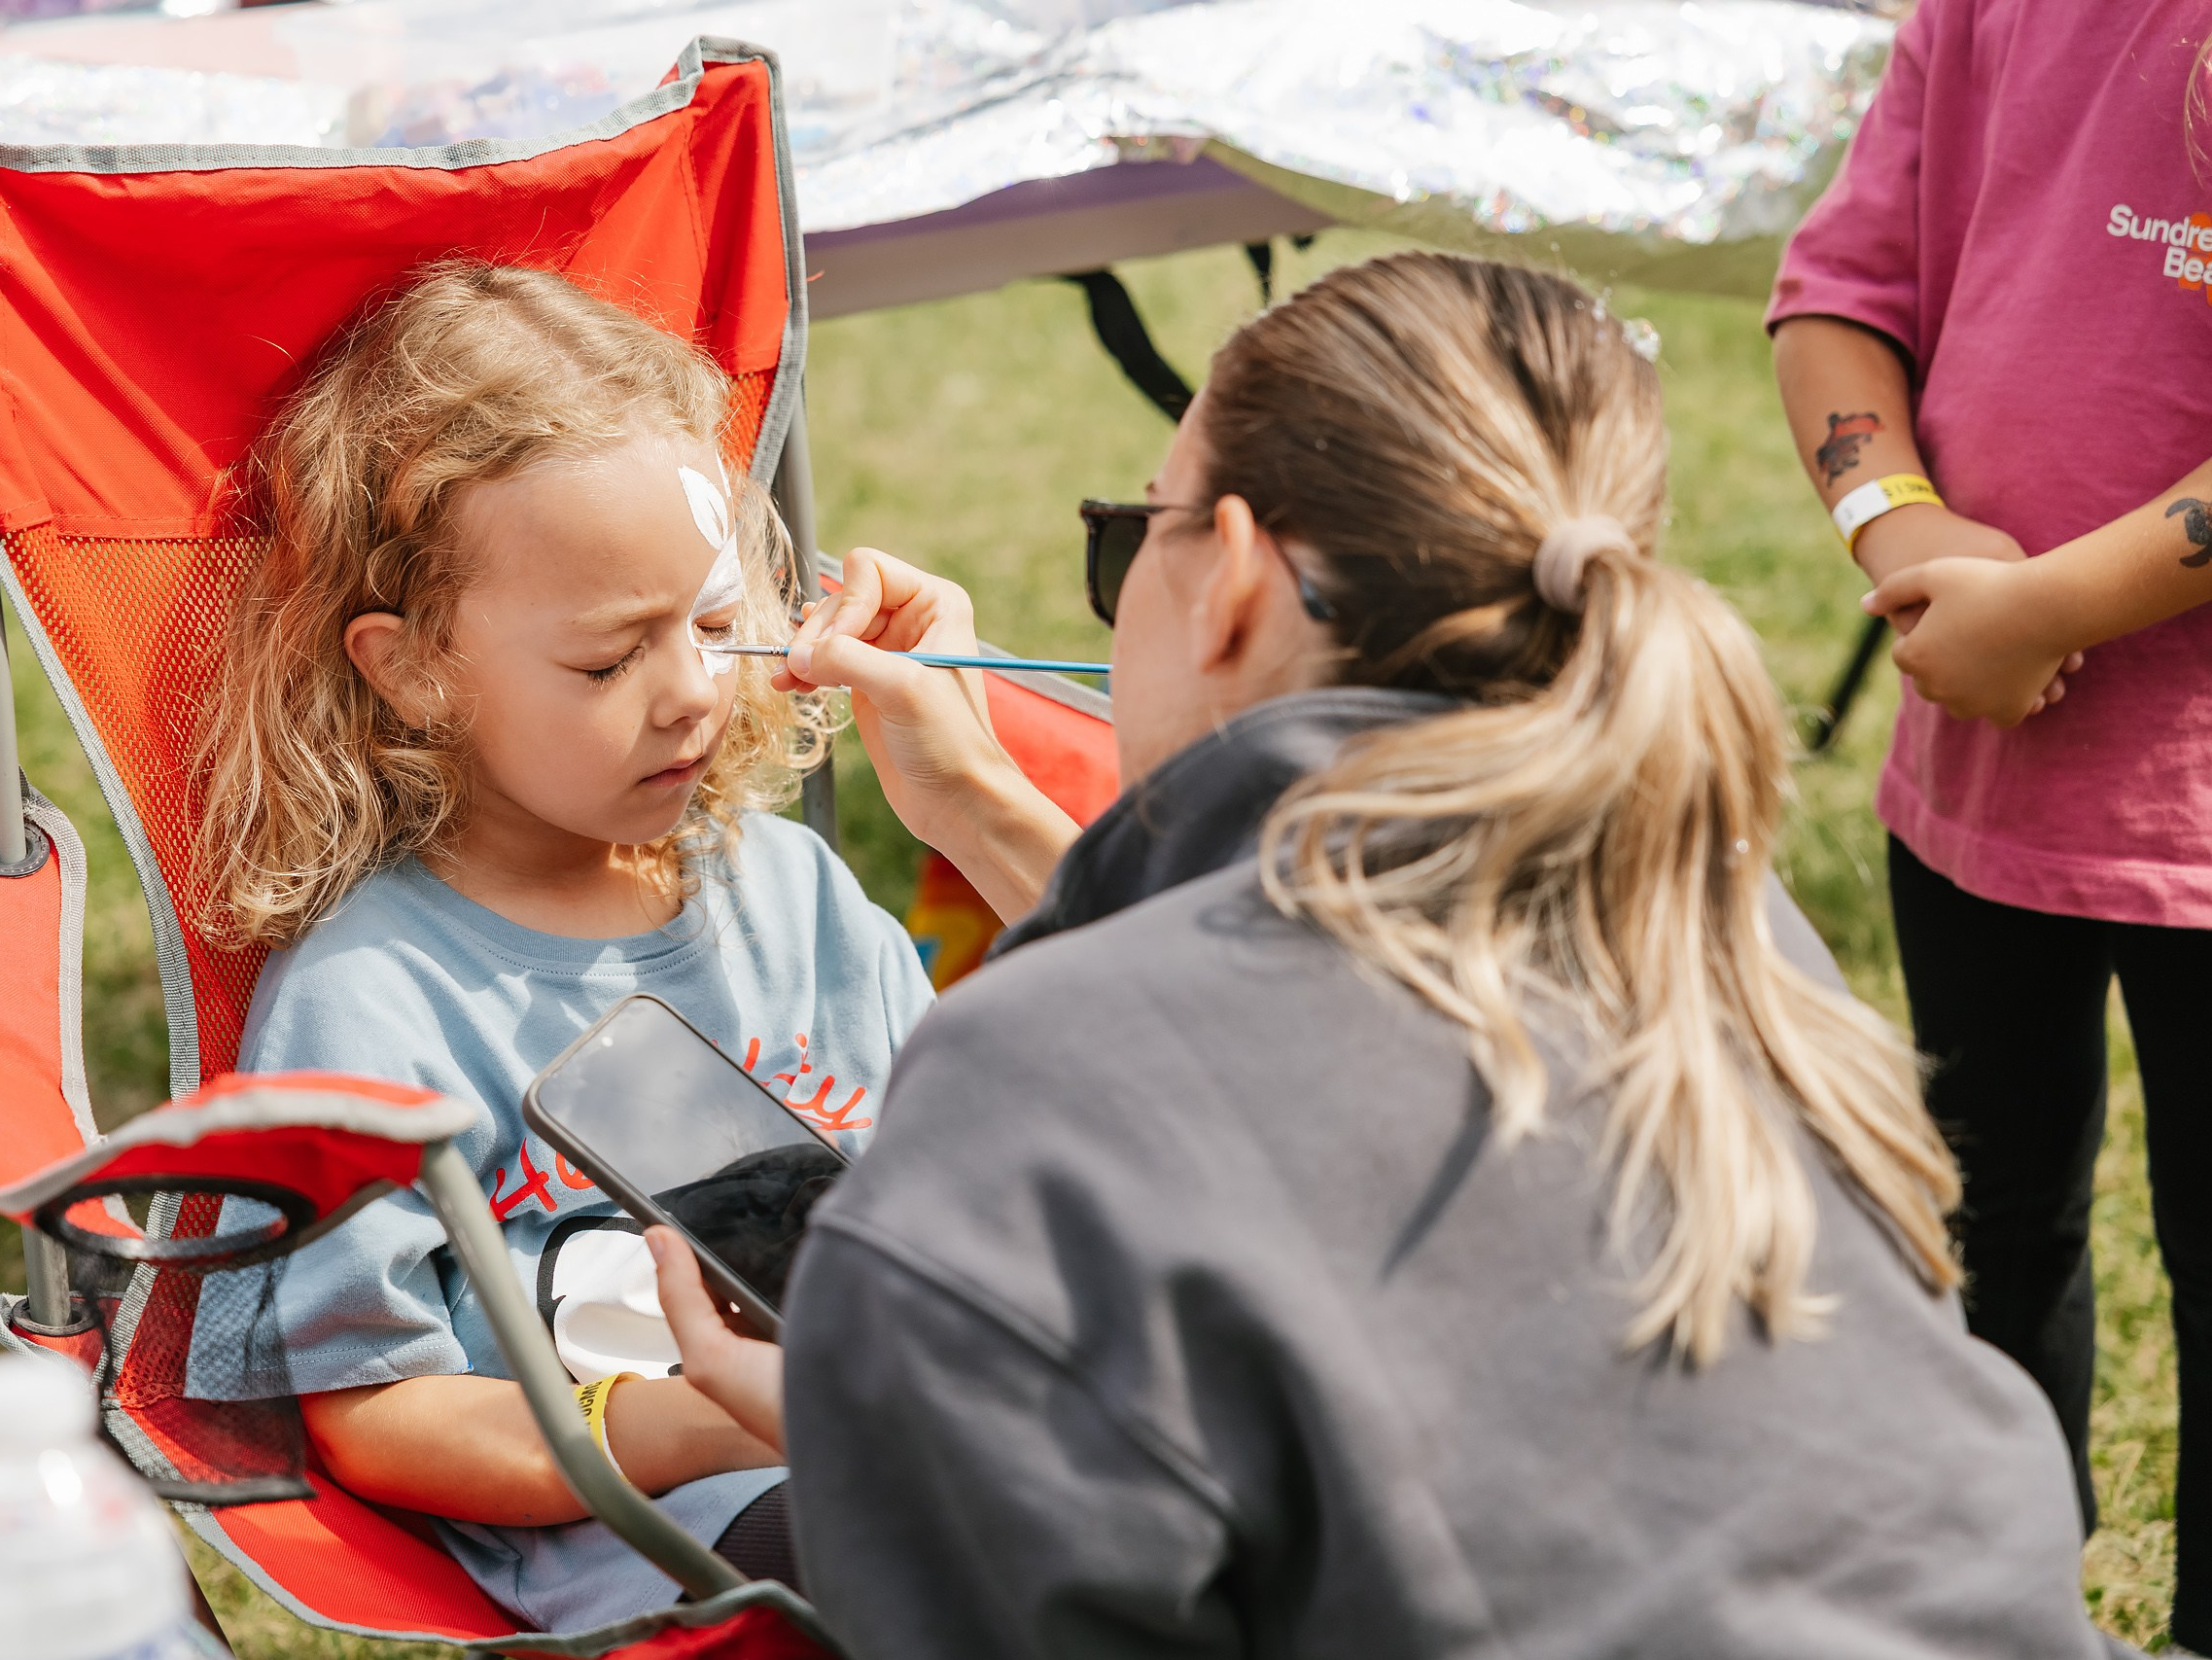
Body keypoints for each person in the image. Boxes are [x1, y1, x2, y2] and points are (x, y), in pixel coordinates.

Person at [648, 251, 2126, 1656]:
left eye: (1132, 536)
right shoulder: (1728, 929)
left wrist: (880, 1426)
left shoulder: (1035, 1083)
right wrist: (987, 810)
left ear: (1228, 569)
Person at [187, 262, 935, 1631]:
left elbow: (964, 1180)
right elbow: (372, 1406)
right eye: (608, 662)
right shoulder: (376, 1000)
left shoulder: (795, 897)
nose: (693, 692)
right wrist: (700, 1426)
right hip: (677, 1543)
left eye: (716, 625)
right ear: (411, 665)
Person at [1768, 4, 2212, 1641]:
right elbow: (1837, 300)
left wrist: (2039, 606)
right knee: (1981, 1220)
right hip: (1980, 790)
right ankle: (1993, 1607)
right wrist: (1904, 530)